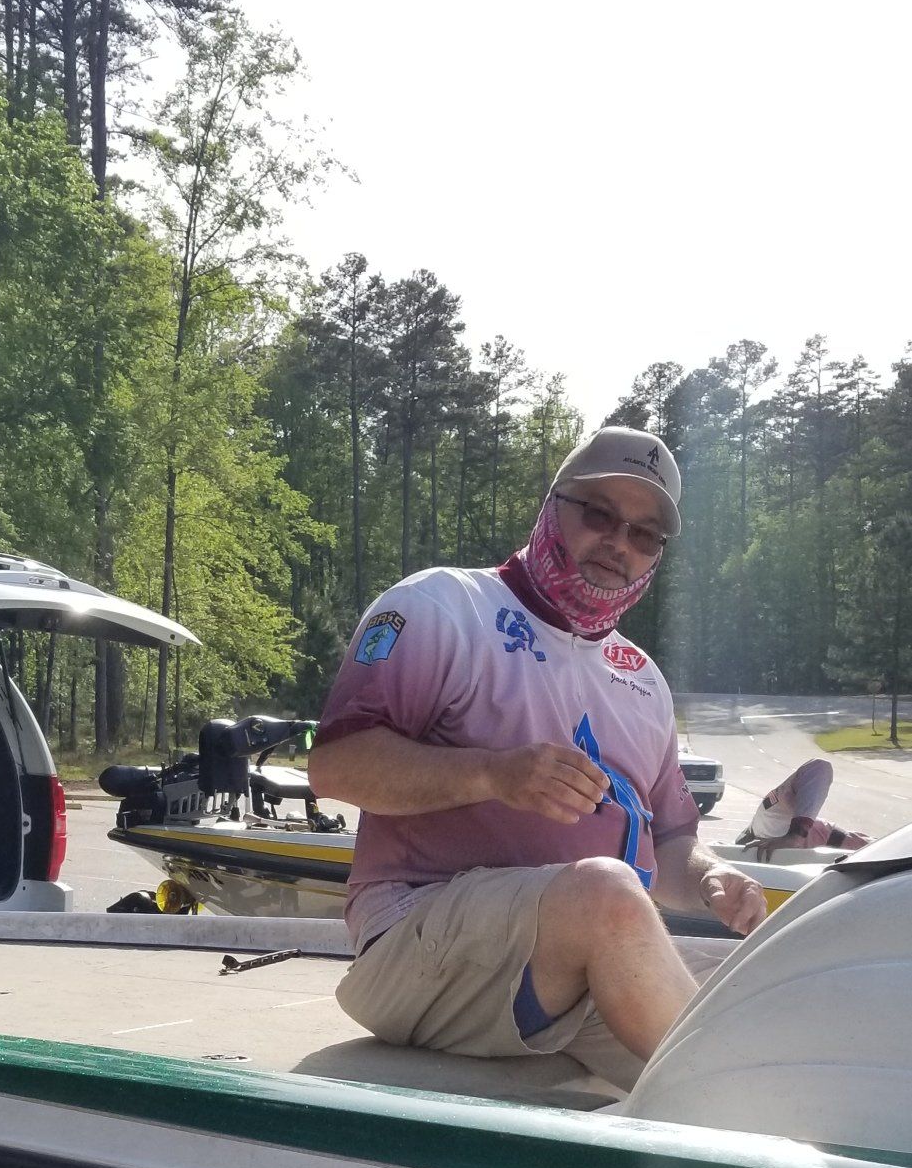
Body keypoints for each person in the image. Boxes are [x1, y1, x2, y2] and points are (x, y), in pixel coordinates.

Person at [309, 426, 767, 1090]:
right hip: (414, 943)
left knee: (744, 1067)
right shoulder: (440, 606)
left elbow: (668, 842)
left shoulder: (641, 679)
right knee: (607, 894)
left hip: (567, 965)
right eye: (600, 514)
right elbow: (336, 767)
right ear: (552, 506)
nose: (619, 543)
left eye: (644, 535)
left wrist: (707, 880)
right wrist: (492, 774)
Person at [735, 759, 870, 859]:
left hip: (852, 846)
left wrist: (795, 835)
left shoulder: (768, 823)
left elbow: (820, 767)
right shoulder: (766, 823)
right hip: (841, 848)